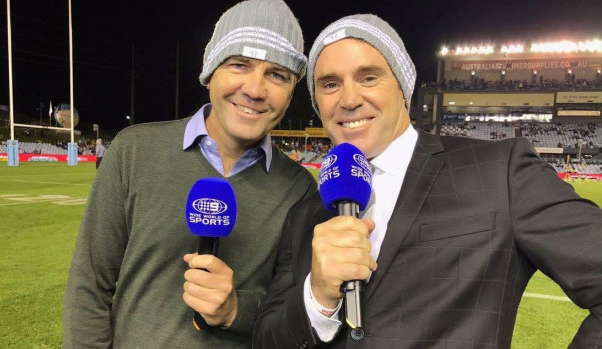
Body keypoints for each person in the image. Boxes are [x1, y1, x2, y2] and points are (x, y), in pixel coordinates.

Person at [253, 14, 602, 348]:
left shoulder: (499, 171)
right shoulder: (305, 214)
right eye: (330, 84)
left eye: (369, 77)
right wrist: (317, 299)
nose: (349, 99)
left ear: (403, 86)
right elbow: (267, 339)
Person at [63, 1, 316, 348]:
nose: (256, 90)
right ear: (211, 72)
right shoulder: (134, 151)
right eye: (239, 65)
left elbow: (292, 311)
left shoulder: (300, 188)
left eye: (277, 75)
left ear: (291, 91)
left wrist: (234, 309)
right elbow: (89, 286)